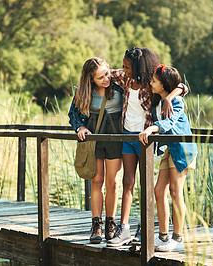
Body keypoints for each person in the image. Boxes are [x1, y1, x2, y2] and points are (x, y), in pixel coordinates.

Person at [107, 47, 189, 247]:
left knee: (148, 185)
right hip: (128, 135)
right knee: (128, 181)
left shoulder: (151, 82)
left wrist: (169, 98)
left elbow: (182, 86)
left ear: (137, 66)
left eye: (127, 66)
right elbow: (104, 75)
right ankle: (124, 227)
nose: (123, 69)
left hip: (146, 138)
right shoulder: (125, 79)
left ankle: (146, 227)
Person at [139, 65, 197, 252]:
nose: (151, 83)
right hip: (170, 149)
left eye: (154, 81)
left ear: (164, 85)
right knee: (158, 190)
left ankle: (177, 238)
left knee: (175, 191)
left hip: (182, 149)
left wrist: (152, 128)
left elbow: (169, 123)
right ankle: (163, 236)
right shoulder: (161, 99)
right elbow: (182, 85)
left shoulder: (176, 102)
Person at [68, 58, 123, 243]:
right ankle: (96, 225)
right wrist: (80, 128)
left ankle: (110, 223)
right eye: (100, 77)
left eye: (107, 73)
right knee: (97, 180)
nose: (106, 79)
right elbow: (73, 114)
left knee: (113, 183)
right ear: (91, 79)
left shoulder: (119, 85)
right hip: (94, 139)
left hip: (115, 138)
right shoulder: (83, 92)